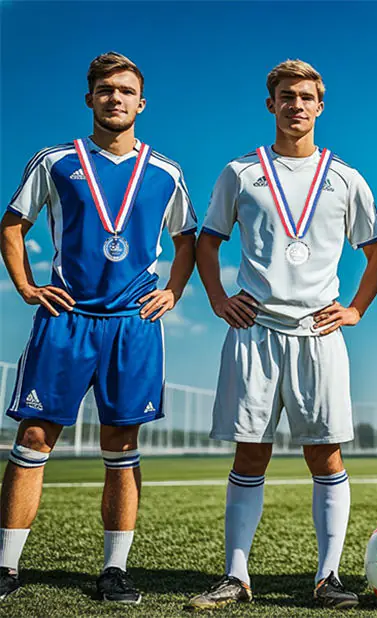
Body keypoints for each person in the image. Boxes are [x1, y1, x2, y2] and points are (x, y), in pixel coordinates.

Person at [185, 59, 377, 610]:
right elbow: (208, 243)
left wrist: (356, 311)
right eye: (285, 96)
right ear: (271, 104)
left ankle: (327, 579)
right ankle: (236, 577)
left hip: (320, 334)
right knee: (250, 456)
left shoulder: (346, 178)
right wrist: (219, 299)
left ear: (320, 107)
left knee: (326, 457)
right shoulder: (240, 172)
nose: (296, 105)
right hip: (255, 332)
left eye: (305, 97)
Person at [0, 52, 197, 604]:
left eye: (126, 90)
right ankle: (7, 566)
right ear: (90, 98)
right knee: (35, 437)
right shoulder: (55, 161)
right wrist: (26, 287)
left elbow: (188, 239)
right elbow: (12, 225)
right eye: (105, 90)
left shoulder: (166, 172)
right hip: (66, 318)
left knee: (121, 442)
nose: (115, 98)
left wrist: (174, 291)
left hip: (133, 324)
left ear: (141, 102)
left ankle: (114, 570)